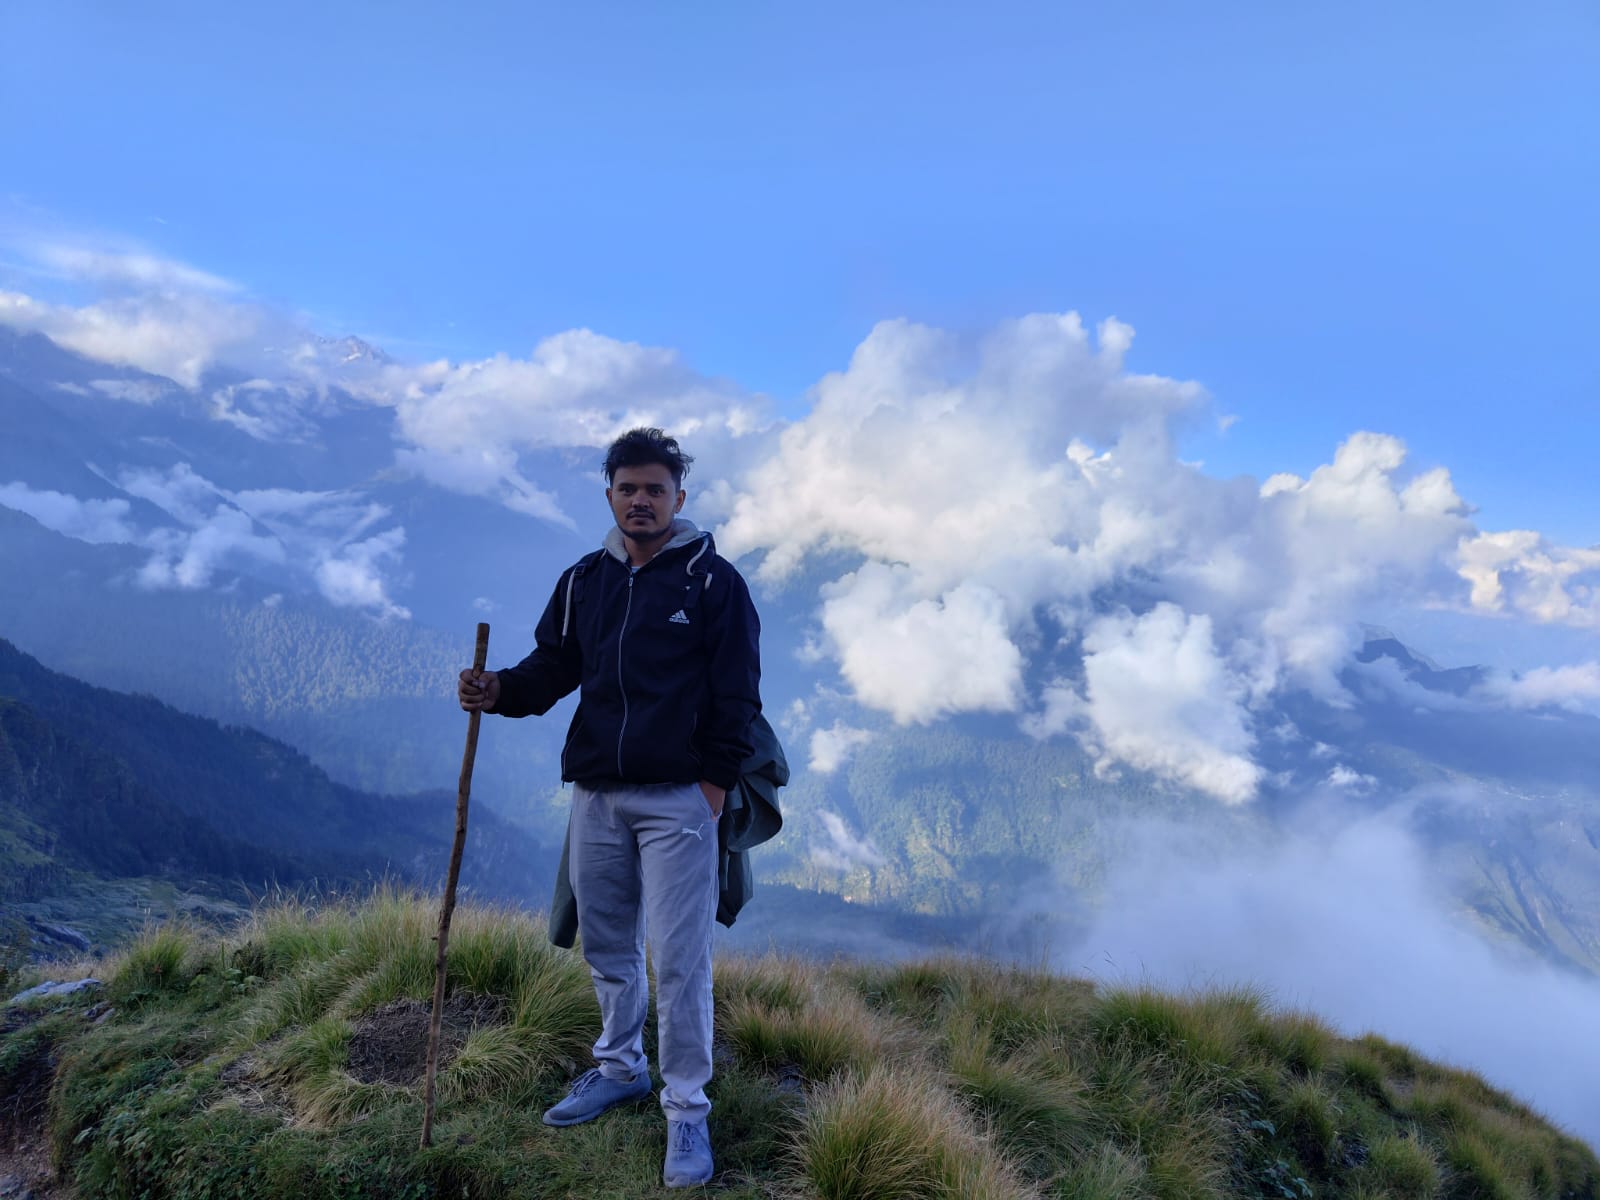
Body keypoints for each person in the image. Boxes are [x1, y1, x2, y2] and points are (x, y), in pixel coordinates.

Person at [457, 427, 760, 1189]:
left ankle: (687, 1111)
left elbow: (738, 696)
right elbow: (554, 667)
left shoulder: (714, 584)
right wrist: (499, 694)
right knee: (608, 943)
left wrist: (713, 789)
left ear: (678, 498)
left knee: (680, 958)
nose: (641, 500)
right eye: (628, 488)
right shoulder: (585, 579)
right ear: (610, 495)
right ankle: (620, 1065)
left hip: (678, 801)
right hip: (596, 791)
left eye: (655, 488)